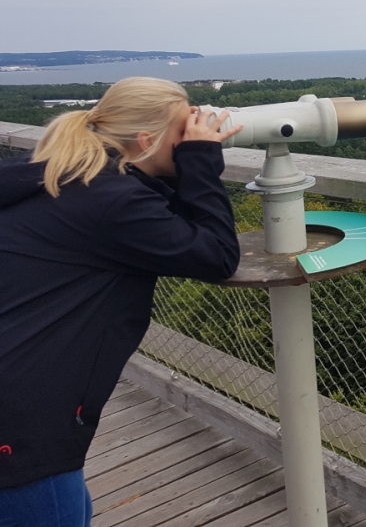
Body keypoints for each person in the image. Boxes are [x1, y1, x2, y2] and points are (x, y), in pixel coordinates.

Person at [0, 77, 243, 526]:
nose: (190, 138)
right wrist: (203, 160)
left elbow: (165, 215)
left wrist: (186, 158)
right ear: (147, 141)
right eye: (182, 133)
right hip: (20, 429)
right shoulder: (112, 203)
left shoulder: (63, 178)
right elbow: (217, 256)